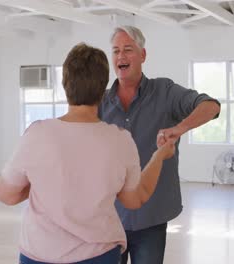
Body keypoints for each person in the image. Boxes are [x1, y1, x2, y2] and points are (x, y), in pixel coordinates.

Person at [0, 43, 176, 264]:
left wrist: (44, 180)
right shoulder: (120, 139)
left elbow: (6, 195)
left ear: (65, 84)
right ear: (103, 90)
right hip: (98, 255)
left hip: (39, 255)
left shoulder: (37, 133)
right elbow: (134, 199)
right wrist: (159, 156)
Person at [98, 26, 221, 264]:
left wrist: (180, 127)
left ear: (143, 55)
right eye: (115, 51)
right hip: (110, 218)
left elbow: (210, 106)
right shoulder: (100, 101)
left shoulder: (164, 91)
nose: (121, 56)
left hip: (150, 217)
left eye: (128, 50)